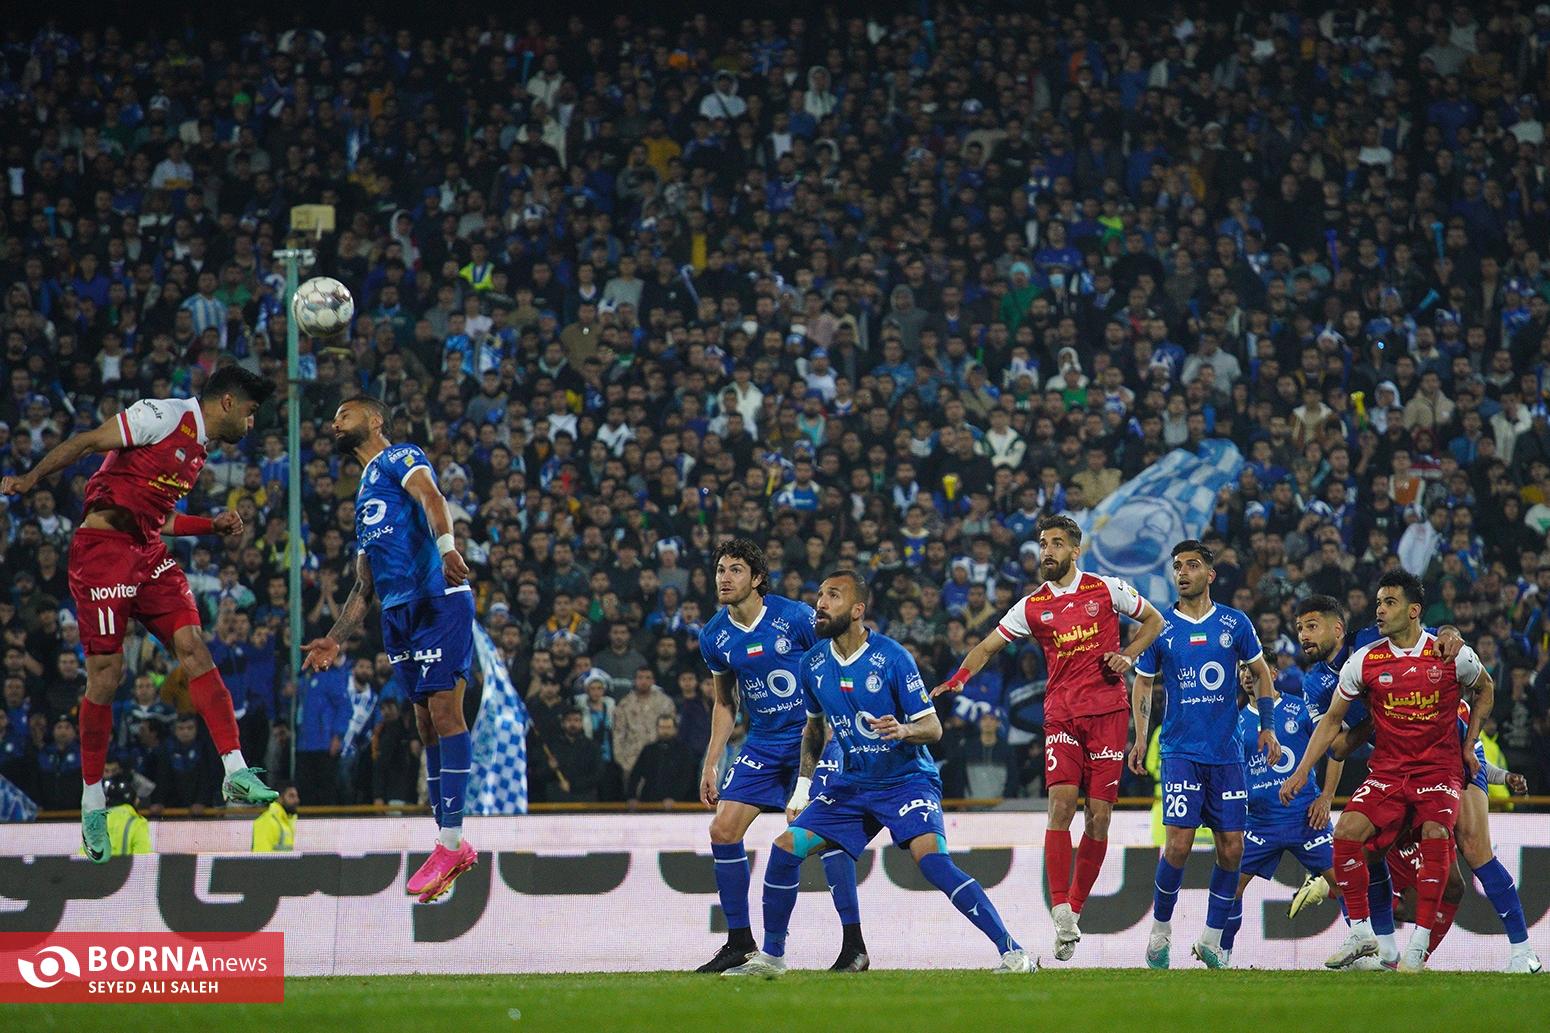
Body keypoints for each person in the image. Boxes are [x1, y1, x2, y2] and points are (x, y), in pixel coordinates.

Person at [0, 365, 279, 861]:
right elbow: (88, 442)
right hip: (102, 551)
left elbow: (159, 517)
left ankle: (235, 770)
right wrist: (30, 478)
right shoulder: (164, 416)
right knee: (107, 677)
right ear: (228, 403)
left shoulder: (198, 452)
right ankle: (92, 805)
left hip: (147, 551)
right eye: (251, 412)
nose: (252, 423)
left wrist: (210, 526)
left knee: (194, 647)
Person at [724, 571, 1033, 977]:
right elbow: (813, 730)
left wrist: (903, 730)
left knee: (933, 862)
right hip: (854, 784)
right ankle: (772, 958)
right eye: (820, 595)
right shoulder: (812, 662)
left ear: (857, 610)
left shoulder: (892, 657)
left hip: (907, 780)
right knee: (784, 848)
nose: (820, 603)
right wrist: (801, 789)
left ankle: (1013, 952)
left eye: (833, 596)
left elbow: (933, 728)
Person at [932, 514, 1164, 961]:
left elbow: (1154, 621)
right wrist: (959, 678)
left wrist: (1129, 655)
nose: (1047, 551)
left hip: (1108, 714)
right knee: (1060, 806)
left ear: (1075, 550)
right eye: (1043, 543)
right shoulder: (1032, 606)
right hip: (1061, 717)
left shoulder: (1107, 589)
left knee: (1099, 818)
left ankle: (1074, 910)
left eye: (1056, 543)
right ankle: (1059, 908)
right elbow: (986, 646)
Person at [301, 396, 476, 904]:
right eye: (334, 415)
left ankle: (450, 843)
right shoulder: (362, 496)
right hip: (398, 613)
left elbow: (432, 497)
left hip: (437, 598)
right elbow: (364, 585)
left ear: (375, 419)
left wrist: (447, 549)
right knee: (425, 724)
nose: (334, 421)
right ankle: (448, 843)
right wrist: (336, 636)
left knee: (445, 713)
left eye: (345, 413)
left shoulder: (400, 456)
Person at [1279, 571, 1492, 972]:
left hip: (1437, 769)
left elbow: (1484, 686)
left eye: (1389, 603)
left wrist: (1469, 745)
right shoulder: (1357, 663)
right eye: (1378, 603)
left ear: (1413, 611)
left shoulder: (1443, 652)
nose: (1380, 609)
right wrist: (1303, 771)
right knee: (1347, 834)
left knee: (1443, 847)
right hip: (1389, 771)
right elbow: (1334, 730)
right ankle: (1364, 934)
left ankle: (1421, 945)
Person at [693, 538, 865, 974]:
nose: (724, 578)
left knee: (826, 834)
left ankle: (854, 946)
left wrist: (838, 725)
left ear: (756, 578)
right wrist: (712, 761)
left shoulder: (796, 618)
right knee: (723, 830)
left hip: (815, 737)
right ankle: (739, 942)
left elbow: (837, 663)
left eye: (735, 570)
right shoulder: (714, 635)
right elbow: (725, 702)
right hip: (764, 744)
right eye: (720, 570)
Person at [1129, 540, 1280, 969]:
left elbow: (1261, 672)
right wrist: (1140, 737)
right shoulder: (1160, 627)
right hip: (1180, 751)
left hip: (1227, 754)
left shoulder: (1235, 622)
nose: (1183, 572)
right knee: (1177, 845)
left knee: (1232, 849)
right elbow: (1143, 683)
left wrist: (1267, 726)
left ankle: (1211, 940)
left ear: (1210, 575)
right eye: (1177, 566)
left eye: (1192, 565)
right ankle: (1160, 932)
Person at [1212, 663, 1344, 969]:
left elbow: (1337, 750)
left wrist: (1326, 797)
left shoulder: (1301, 709)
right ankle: (1221, 954)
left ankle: (1366, 948)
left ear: (1271, 673)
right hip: (1259, 824)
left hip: (1306, 817)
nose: (1247, 675)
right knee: (1230, 887)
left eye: (1253, 669)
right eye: (1242, 670)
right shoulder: (1235, 720)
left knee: (1344, 882)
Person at [252, 780, 300, 852]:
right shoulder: (267, 822)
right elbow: (261, 856)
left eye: (296, 796)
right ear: (279, 798)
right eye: (291, 796)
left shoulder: (285, 822)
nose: (297, 800)